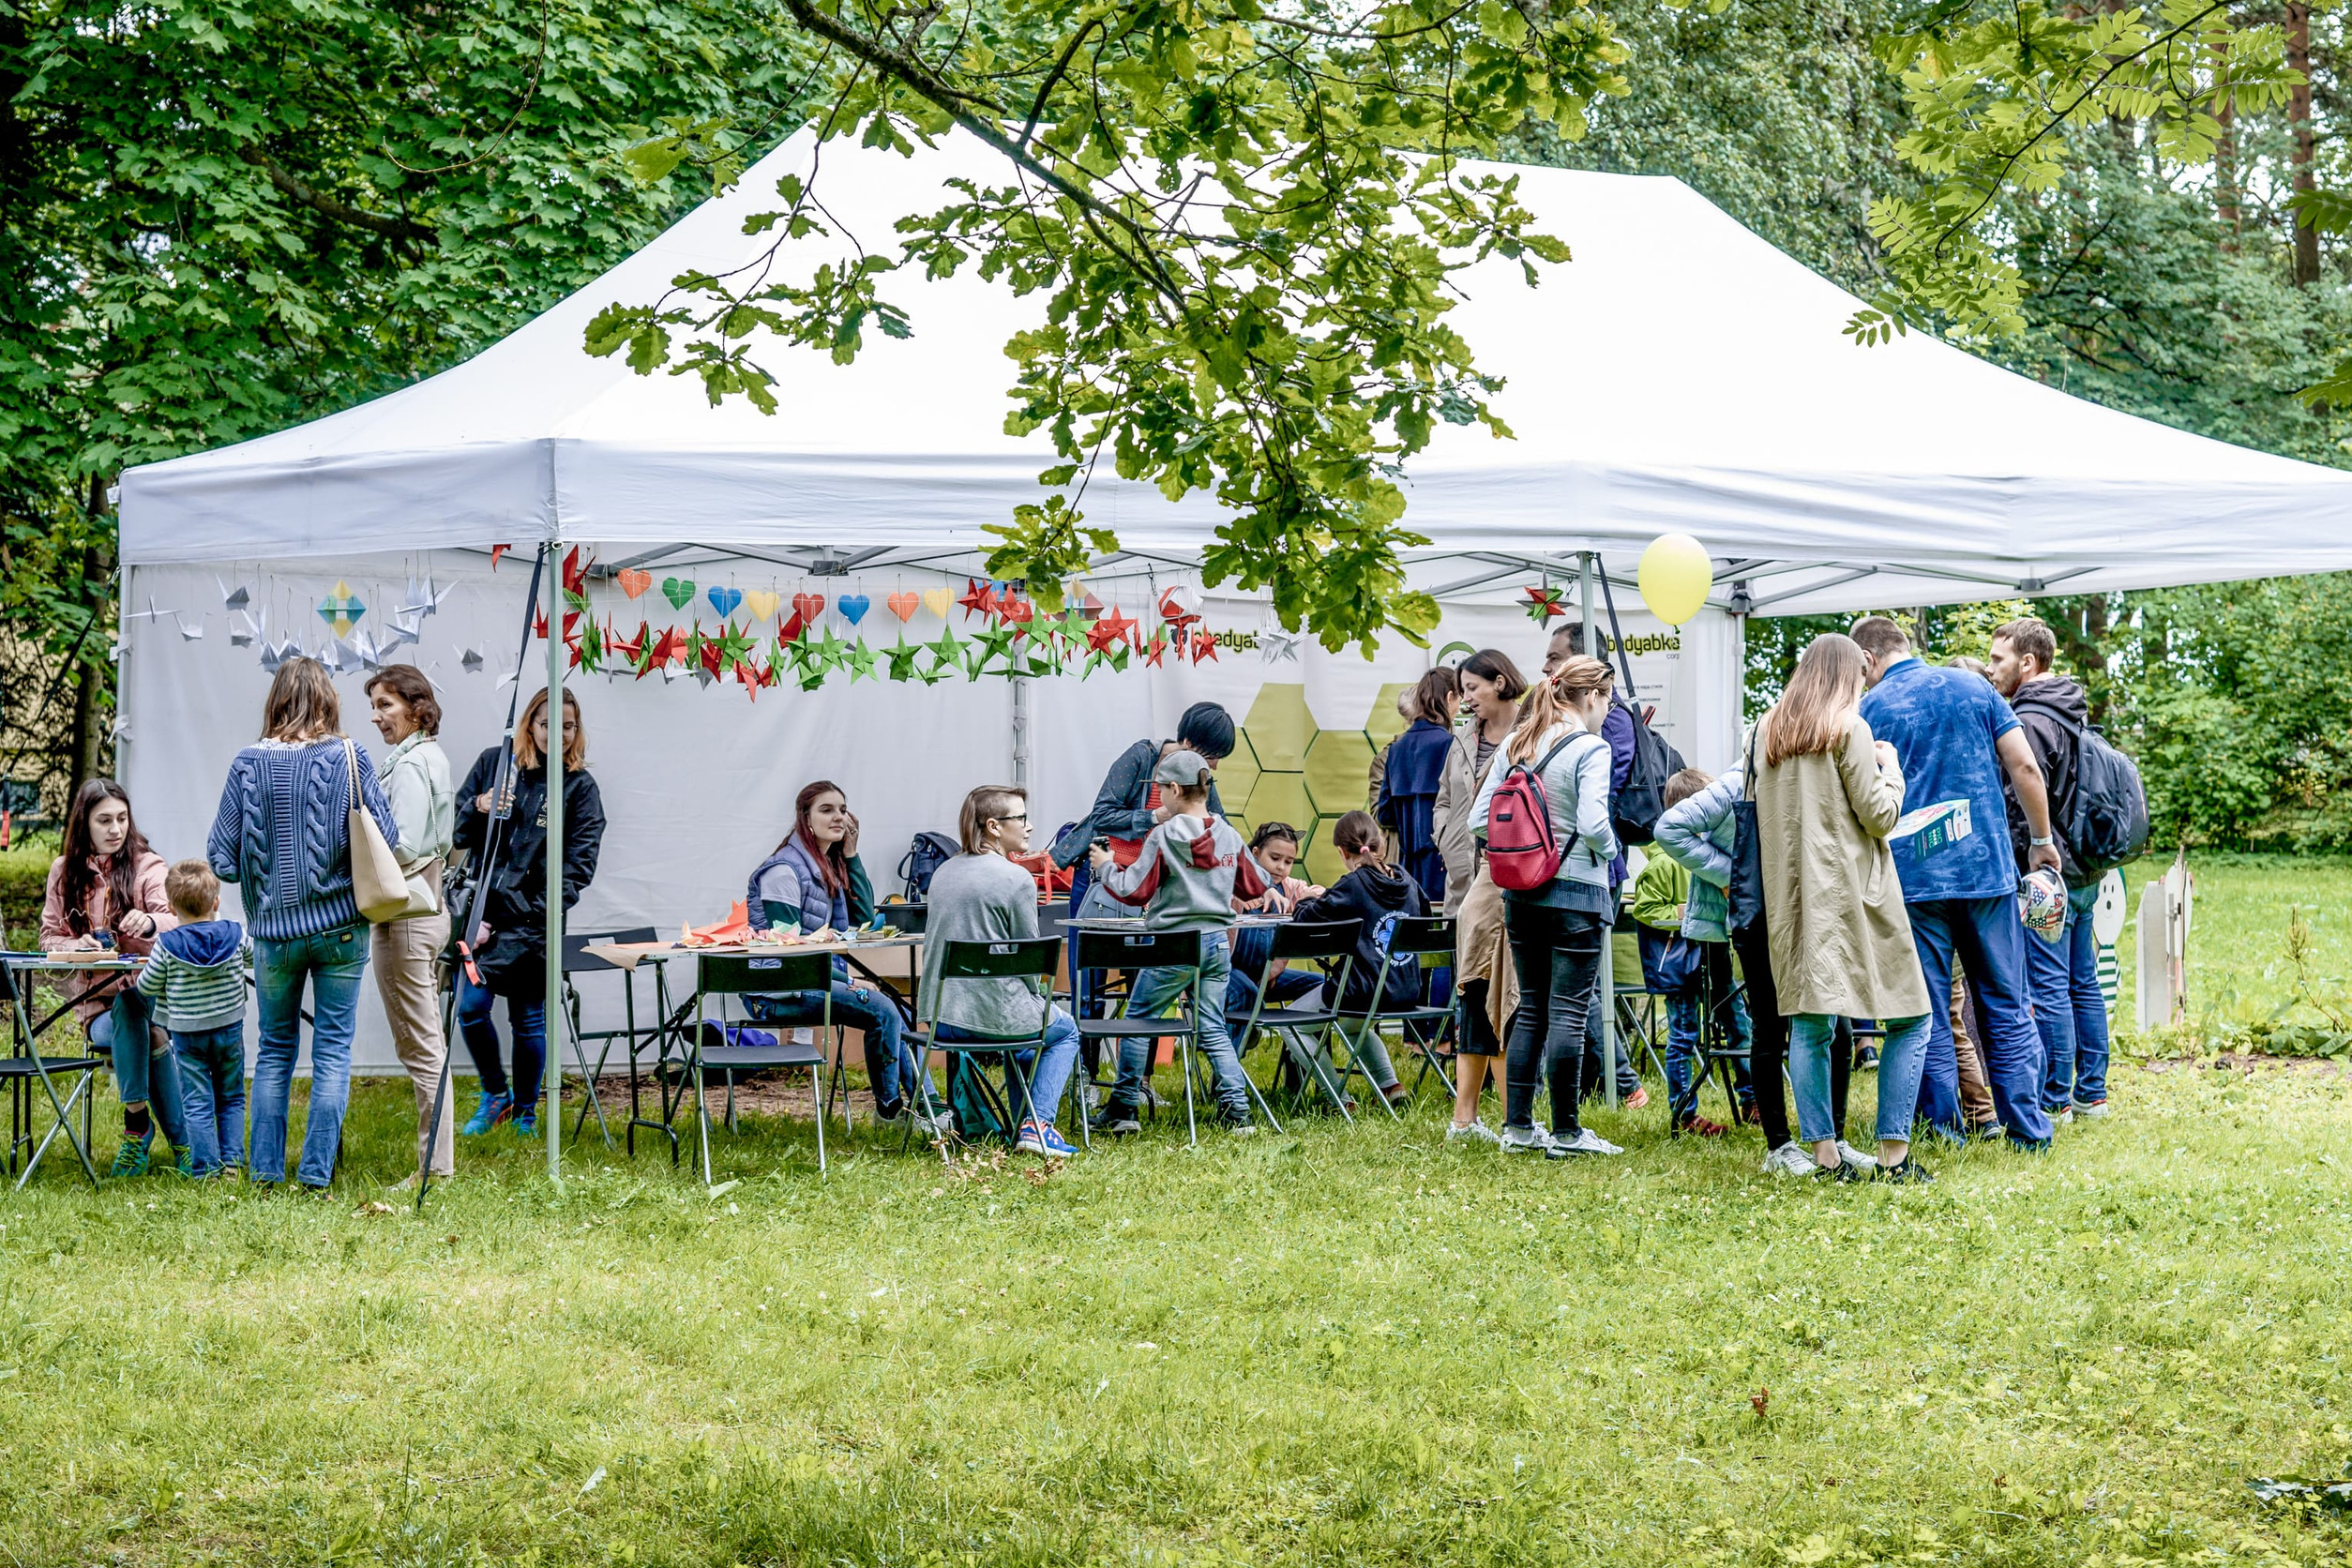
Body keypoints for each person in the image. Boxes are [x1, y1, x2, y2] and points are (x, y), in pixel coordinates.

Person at [1851, 615, 2059, 1149]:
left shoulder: (1869, 709)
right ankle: (2028, 1131)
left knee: (1927, 1010)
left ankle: (1943, 1132)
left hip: (1914, 881)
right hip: (1986, 871)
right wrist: (2040, 840)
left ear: (1869, 659)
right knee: (2006, 1002)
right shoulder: (1975, 687)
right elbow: (2025, 767)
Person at [208, 656, 400, 1190]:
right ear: (328, 700)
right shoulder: (350, 756)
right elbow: (388, 838)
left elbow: (221, 860)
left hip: (275, 937)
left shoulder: (247, 764)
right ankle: (315, 1176)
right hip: (342, 930)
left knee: (274, 1051)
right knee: (333, 1050)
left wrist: (266, 865)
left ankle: (266, 1173)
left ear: (276, 701)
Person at [1752, 633, 1936, 1182]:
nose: (1863, 685)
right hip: (1855, 893)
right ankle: (1893, 1156)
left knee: (1811, 1025)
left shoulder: (1766, 730)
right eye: (1860, 675)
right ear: (1845, 674)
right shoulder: (1849, 728)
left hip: (1792, 896)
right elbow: (1879, 816)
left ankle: (1826, 1158)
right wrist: (1891, 769)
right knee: (1912, 1016)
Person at [1655, 750, 1867, 1174]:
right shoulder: (1738, 782)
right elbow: (1669, 828)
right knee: (1769, 1027)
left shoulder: (1813, 776)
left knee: (1839, 1026)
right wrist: (1732, 875)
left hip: (1809, 913)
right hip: (1758, 920)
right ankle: (1779, 1147)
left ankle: (1836, 1140)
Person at [1468, 654, 1623, 1157]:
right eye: (1607, 699)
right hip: (1577, 892)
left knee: (1532, 1007)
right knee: (1569, 1012)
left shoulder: (1517, 742)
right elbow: (1595, 825)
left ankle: (1517, 1128)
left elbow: (1477, 821)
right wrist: (1612, 852)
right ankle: (1567, 1132)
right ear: (1592, 696)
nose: (1608, 709)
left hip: (1521, 893)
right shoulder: (1591, 747)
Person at [451, 686, 605, 1139]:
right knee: (471, 1009)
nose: (559, 734)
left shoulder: (579, 788)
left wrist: (539, 910)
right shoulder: (494, 764)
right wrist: (480, 805)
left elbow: (580, 866)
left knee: (529, 1019)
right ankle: (494, 1094)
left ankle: (525, 1113)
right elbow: (458, 834)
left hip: (535, 924)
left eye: (568, 726)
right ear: (529, 726)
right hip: (483, 920)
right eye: (548, 724)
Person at [1088, 749, 1268, 1136]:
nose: (1158, 797)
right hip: (1217, 943)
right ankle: (1237, 1112)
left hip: (1173, 944)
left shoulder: (1164, 835)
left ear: (1173, 789)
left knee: (1138, 1020)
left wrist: (1106, 867)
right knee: (1213, 1026)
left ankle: (1123, 1108)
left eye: (1160, 790)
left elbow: (1134, 890)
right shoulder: (1228, 834)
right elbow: (1255, 885)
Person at [744, 780, 940, 1132]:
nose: (839, 817)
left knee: (895, 1008)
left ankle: (931, 1107)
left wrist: (851, 854)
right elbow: (790, 954)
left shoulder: (826, 866)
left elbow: (863, 922)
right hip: (775, 990)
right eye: (826, 809)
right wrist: (849, 980)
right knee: (883, 1009)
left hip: (812, 980)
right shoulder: (784, 871)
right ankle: (891, 1113)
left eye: (843, 809)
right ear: (805, 818)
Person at [1986, 616, 2111, 1122]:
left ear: (2027, 662)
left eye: (1998, 659)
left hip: (2047, 874)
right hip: (2081, 868)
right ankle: (2092, 1091)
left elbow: (2024, 793)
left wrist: (2026, 853)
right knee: (2083, 981)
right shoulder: (2068, 709)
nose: (1992, 669)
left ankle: (2054, 1098)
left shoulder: (2032, 720)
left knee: (2048, 983)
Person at [920, 786, 1082, 1157]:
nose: (1029, 826)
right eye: (1021, 818)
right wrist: (1035, 997)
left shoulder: (943, 872)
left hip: (940, 1019)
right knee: (1065, 1031)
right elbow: (1029, 962)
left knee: (1027, 1033)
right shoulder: (1015, 878)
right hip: (991, 1017)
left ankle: (1023, 1126)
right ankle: (1039, 1125)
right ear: (993, 826)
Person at [43, 779, 185, 1177]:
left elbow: (178, 920)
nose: (115, 829)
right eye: (104, 820)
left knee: (135, 1006)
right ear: (83, 823)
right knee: (137, 1020)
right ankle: (184, 1144)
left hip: (155, 1000)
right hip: (95, 1008)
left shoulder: (147, 865)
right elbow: (48, 937)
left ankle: (137, 1129)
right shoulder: (64, 872)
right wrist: (77, 945)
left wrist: (151, 922)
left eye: (122, 819)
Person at [364, 665, 457, 1184]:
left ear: (417, 708)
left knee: (422, 1048)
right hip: (426, 912)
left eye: (386, 705)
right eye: (374, 706)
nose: (376, 716)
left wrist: (355, 846)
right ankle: (435, 1165)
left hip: (405, 917)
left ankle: (434, 1171)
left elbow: (402, 844)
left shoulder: (410, 764)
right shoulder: (427, 756)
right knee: (425, 1043)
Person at [1547, 624, 1646, 1108]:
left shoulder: (1613, 720)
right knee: (1570, 982)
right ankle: (1600, 1082)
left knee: (1578, 982)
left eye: (1555, 657)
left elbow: (1600, 803)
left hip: (1590, 867)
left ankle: (1623, 1083)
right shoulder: (1550, 719)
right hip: (1564, 864)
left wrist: (1602, 850)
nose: (1545, 666)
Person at [1434, 648, 1527, 1142]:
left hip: (1514, 878)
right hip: (1469, 882)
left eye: (1472, 688)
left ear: (1500, 682)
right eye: (1462, 690)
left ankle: (1505, 1117)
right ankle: (1478, 1118)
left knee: (1505, 993)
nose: (1465, 698)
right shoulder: (1462, 739)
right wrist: (1445, 839)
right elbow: (1445, 800)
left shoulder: (1533, 731)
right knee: (1474, 989)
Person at [1630, 770, 1755, 1137]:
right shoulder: (1664, 863)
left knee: (1740, 1027)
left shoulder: (1715, 852)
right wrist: (1681, 913)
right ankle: (1685, 1114)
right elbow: (1644, 909)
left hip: (1716, 957)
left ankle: (1751, 1100)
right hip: (1681, 964)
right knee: (1683, 1036)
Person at [1049, 701, 1237, 921]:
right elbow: (1101, 815)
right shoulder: (1141, 756)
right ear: (1188, 743)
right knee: (1090, 943)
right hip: (1103, 878)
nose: (1214, 765)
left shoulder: (1199, 775)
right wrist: (1154, 816)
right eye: (1211, 757)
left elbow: (1221, 827)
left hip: (1148, 885)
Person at [1289, 810, 1422, 1110]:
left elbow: (1305, 922)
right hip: (1405, 989)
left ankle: (1339, 1098)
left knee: (1292, 1024)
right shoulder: (1407, 880)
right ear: (1380, 842)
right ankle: (1390, 1086)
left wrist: (1306, 897)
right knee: (1352, 1025)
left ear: (1341, 851)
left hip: (1361, 990)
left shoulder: (1352, 885)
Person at [136, 861, 251, 1179]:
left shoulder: (166, 945)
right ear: (216, 902)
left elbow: (145, 986)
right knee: (231, 1097)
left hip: (188, 1034)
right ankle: (232, 1164)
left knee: (197, 1100)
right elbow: (255, 957)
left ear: (171, 907)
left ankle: (205, 1170)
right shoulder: (235, 934)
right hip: (229, 1028)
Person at [1376, 667, 1460, 906]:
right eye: (1459, 699)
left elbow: (1385, 814)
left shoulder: (1396, 749)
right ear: (1449, 697)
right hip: (1446, 868)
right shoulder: (1452, 745)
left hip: (1407, 870)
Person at [1228, 822, 1322, 1021]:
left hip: (1266, 977)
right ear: (1255, 853)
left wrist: (1306, 898)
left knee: (1323, 987)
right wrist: (1237, 893)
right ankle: (1237, 1040)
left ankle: (1299, 1040)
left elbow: (1320, 893)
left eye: (1288, 862)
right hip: (1227, 972)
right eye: (1275, 858)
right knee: (1246, 991)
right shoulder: (1233, 882)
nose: (1281, 867)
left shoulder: (1290, 888)